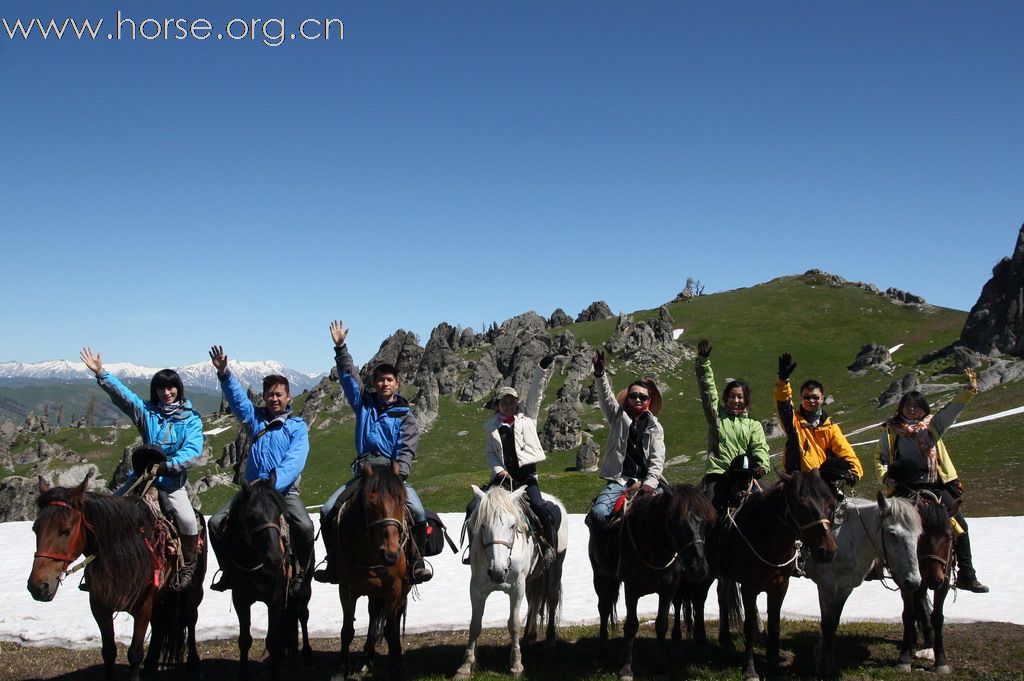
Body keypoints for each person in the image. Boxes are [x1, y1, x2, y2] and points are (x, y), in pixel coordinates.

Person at [316, 320, 431, 584]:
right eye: (379, 380)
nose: (383, 384)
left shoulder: (406, 416)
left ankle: (416, 562)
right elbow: (349, 379)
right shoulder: (364, 405)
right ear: (375, 383)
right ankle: (335, 562)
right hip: (365, 472)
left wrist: (398, 474)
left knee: (418, 512)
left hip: (392, 475)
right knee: (328, 510)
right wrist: (340, 347)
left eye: (389, 380)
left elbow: (408, 449)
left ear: (397, 384)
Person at [79, 347, 203, 590]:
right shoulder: (148, 413)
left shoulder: (191, 419)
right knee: (106, 514)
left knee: (188, 521)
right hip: (142, 479)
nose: (166, 393)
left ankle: (187, 564)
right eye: (160, 388)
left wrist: (168, 465)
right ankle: (99, 565)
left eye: (170, 387)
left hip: (171, 482)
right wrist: (102, 374)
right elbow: (125, 397)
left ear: (178, 388)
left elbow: (193, 450)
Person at [206, 345, 314, 595]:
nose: (274, 399)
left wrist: (273, 482)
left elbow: (295, 459)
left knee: (305, 527)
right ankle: (229, 571)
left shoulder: (297, 427)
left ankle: (300, 573)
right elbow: (237, 401)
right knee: (215, 522)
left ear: (288, 397)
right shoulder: (256, 420)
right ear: (264, 397)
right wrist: (224, 374)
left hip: (283, 492)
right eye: (270, 395)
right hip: (252, 493)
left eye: (279, 394)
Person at [877, 367, 988, 593]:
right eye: (907, 405)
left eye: (916, 406)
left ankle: (966, 574)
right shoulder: (890, 431)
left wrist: (968, 391)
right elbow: (882, 458)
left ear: (923, 409)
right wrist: (887, 477)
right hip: (904, 487)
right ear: (900, 408)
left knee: (961, 527)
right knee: (888, 523)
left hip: (936, 484)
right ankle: (877, 566)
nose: (912, 409)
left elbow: (951, 412)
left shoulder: (932, 426)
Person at [470, 361, 558, 566]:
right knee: (473, 506)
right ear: (497, 405)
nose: (508, 406)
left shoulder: (528, 417)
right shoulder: (493, 427)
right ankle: (473, 551)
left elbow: (536, 392)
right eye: (504, 402)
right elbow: (491, 453)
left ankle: (549, 547)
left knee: (539, 507)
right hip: (503, 480)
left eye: (512, 402)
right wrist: (499, 470)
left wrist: (541, 369)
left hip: (527, 477)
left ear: (518, 403)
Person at [587, 350, 665, 528]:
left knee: (673, 514)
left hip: (648, 481)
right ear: (627, 398)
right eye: (634, 395)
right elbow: (605, 397)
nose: (638, 399)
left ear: (649, 401)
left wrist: (650, 483)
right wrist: (599, 374)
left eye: (643, 397)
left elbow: (657, 457)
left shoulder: (655, 427)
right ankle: (604, 554)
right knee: (599, 513)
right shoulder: (617, 416)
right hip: (619, 480)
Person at [695, 338, 770, 512]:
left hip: (746, 476)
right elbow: (708, 393)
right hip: (719, 474)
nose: (736, 400)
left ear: (746, 400)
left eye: (740, 397)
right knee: (709, 515)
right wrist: (704, 363)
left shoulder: (754, 425)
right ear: (726, 398)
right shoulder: (717, 418)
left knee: (769, 507)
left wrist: (762, 466)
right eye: (732, 396)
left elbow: (760, 447)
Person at [775, 352, 863, 497]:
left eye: (815, 397)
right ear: (801, 398)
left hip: (821, 483)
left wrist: (854, 473)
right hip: (794, 481)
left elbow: (846, 451)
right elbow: (783, 404)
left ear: (822, 399)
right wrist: (783, 381)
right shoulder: (793, 421)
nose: (811, 401)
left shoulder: (831, 428)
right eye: (806, 397)